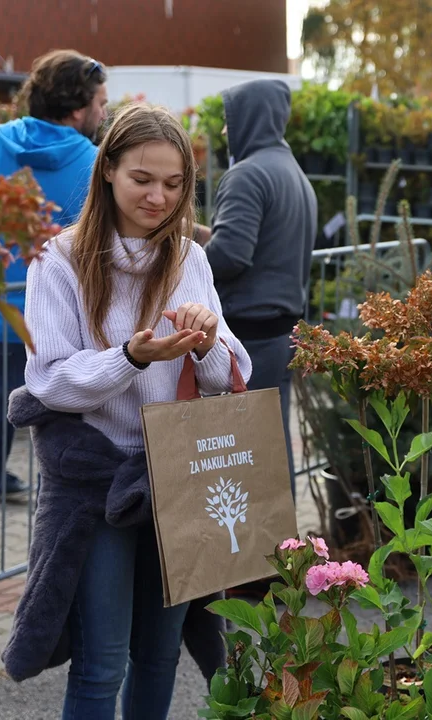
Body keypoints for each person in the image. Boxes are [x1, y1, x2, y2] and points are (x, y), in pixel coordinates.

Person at [21, 103, 252, 717]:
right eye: (142, 180)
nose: (158, 197)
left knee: (160, 655)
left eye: (174, 184)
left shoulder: (190, 259)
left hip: (177, 476)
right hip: (96, 486)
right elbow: (49, 381)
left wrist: (207, 342)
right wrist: (131, 357)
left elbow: (231, 374)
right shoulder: (57, 260)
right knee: (100, 664)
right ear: (107, 173)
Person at [0, 49, 107, 581]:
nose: (102, 114)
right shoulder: (96, 164)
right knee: (63, 454)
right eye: (100, 103)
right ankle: (59, 565)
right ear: (77, 108)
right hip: (62, 335)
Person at [192, 79, 316, 497]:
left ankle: (250, 552)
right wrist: (195, 231)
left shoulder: (246, 174)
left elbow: (231, 256)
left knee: (239, 456)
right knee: (271, 448)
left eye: (229, 122)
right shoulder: (292, 172)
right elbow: (261, 244)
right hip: (281, 334)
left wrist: (181, 263)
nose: (226, 133)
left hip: (248, 338)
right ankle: (284, 546)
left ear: (248, 120)